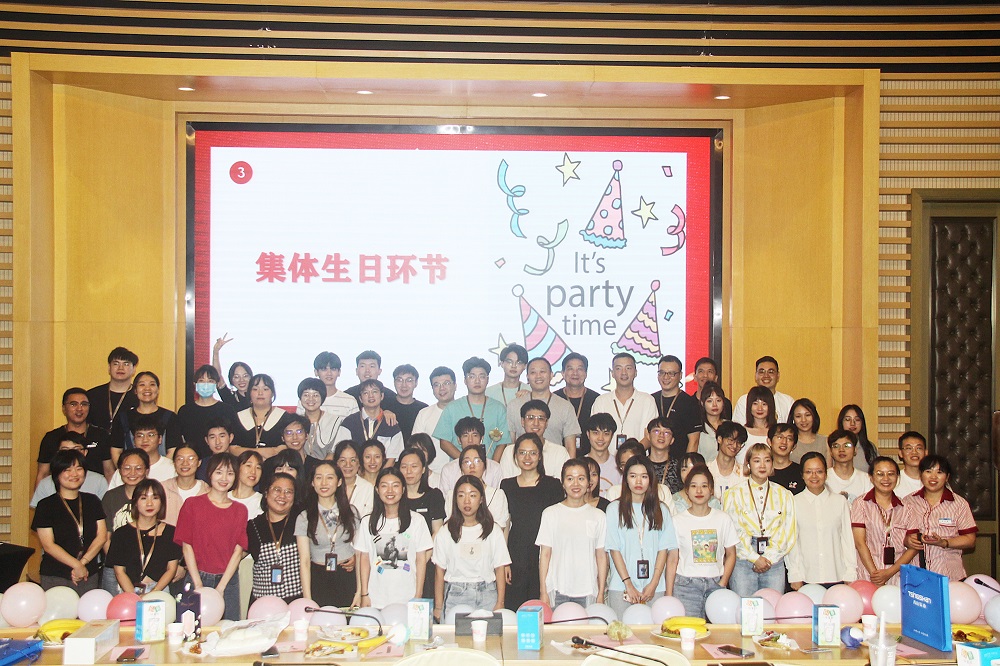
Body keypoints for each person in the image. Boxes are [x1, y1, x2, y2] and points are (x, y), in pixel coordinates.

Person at [174, 452, 248, 621]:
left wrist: (221, 587)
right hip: (196, 576)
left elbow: (238, 551)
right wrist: (198, 583)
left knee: (228, 630)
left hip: (227, 581)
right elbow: (187, 546)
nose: (224, 478)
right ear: (209, 473)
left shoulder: (240, 510)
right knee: (191, 629)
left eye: (230, 473)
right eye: (219, 472)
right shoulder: (192, 504)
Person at [606, 456, 677, 617]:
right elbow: (614, 549)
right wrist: (628, 584)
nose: (638, 481)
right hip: (621, 586)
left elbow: (664, 550)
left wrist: (654, 583)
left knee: (654, 631)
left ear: (651, 479)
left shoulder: (661, 510)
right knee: (621, 630)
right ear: (626, 479)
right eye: (633, 476)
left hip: (654, 587)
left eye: (644, 476)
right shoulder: (614, 509)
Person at [500, 433, 565, 610]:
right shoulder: (506, 485)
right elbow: (505, 526)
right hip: (516, 554)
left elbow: (558, 526)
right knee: (515, 608)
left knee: (543, 608)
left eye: (533, 453)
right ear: (515, 456)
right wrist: (504, 561)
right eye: (522, 453)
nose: (527, 458)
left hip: (544, 554)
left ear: (540, 456)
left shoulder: (553, 485)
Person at [722, 443, 796, 597]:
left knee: (773, 607)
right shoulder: (734, 494)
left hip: (774, 560)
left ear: (772, 464)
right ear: (748, 463)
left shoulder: (784, 494)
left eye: (767, 460)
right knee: (744, 607)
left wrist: (768, 558)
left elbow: (788, 530)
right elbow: (733, 530)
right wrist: (754, 558)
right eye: (756, 460)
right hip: (743, 559)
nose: (762, 465)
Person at [433, 475, 511, 621]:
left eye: (473, 495)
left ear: (481, 499)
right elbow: (439, 571)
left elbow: (500, 568)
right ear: (455, 499)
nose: (467, 501)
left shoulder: (493, 530)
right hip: (456, 595)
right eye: (461, 495)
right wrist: (438, 606)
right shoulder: (446, 531)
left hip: (487, 594)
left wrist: (500, 602)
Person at [355, 468, 433, 609]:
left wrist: (418, 594)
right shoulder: (367, 522)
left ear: (403, 489)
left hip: (407, 597)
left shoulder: (417, 520)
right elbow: (364, 559)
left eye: (395, 485)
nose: (390, 491)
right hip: (376, 598)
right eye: (384, 486)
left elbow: (421, 560)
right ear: (377, 490)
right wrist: (364, 594)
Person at [667, 465, 737, 618]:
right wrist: (669, 593)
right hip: (686, 587)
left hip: (715, 585)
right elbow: (672, 559)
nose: (699, 491)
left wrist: (723, 582)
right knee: (689, 630)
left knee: (716, 631)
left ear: (711, 490)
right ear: (687, 490)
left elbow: (731, 554)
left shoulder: (723, 519)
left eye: (704, 486)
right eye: (693, 486)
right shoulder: (677, 521)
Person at [32, 449, 107, 591]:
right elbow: (48, 545)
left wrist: (82, 563)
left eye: (79, 469)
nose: (74, 474)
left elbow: (101, 536)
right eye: (67, 470)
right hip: (56, 574)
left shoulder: (92, 501)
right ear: (57, 474)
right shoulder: (46, 505)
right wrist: (76, 565)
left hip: (88, 573)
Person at [536, 459, 608, 607]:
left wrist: (601, 593)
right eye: (570, 479)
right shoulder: (550, 513)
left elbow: (601, 556)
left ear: (588, 483)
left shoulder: (598, 516)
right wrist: (543, 591)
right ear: (563, 483)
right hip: (557, 590)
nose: (576, 484)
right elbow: (545, 555)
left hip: (588, 591)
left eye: (581, 478)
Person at [786, 453, 857, 589]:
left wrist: (850, 573)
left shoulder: (840, 501)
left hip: (837, 576)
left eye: (819, 471)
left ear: (826, 474)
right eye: (808, 472)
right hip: (806, 577)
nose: (814, 476)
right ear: (802, 475)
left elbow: (847, 539)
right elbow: (792, 543)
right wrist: (794, 574)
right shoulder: (794, 502)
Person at [901, 455, 977, 580]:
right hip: (916, 576)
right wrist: (906, 540)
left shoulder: (959, 504)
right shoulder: (907, 502)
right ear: (921, 475)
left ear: (947, 477)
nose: (933, 477)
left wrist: (944, 542)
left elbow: (970, 540)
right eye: (928, 471)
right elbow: (896, 533)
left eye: (939, 472)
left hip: (950, 575)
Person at [296, 461, 361, 607]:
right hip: (318, 579)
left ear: (339, 482)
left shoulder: (352, 512)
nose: (324, 483)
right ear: (312, 483)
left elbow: (360, 553)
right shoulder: (304, 517)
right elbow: (304, 561)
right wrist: (307, 599)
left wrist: (359, 591)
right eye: (319, 477)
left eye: (329, 477)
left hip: (347, 577)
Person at [105, 479, 181, 594]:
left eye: (155, 498)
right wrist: (133, 596)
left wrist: (153, 592)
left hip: (159, 590)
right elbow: (119, 571)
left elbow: (171, 569)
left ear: (162, 502)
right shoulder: (121, 533)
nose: (149, 503)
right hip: (129, 590)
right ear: (135, 502)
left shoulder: (171, 532)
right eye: (144, 498)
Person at [850, 457, 916, 586]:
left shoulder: (907, 508)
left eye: (891, 474)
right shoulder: (861, 504)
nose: (886, 478)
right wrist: (875, 575)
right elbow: (859, 543)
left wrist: (889, 572)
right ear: (871, 477)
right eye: (880, 474)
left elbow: (913, 548)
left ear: (897, 477)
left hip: (897, 575)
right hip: (868, 575)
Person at [434, 357, 511, 462]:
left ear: (487, 380)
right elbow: (444, 443)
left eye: (482, 376)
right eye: (472, 376)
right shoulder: (452, 408)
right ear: (465, 380)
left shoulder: (499, 408)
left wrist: (491, 467)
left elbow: (502, 443)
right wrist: (467, 462)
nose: (477, 381)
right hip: (460, 467)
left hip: (490, 468)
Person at [36, 388, 113, 486]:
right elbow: (43, 474)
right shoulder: (51, 438)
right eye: (73, 404)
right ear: (64, 408)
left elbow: (109, 472)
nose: (79, 408)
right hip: (60, 491)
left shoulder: (101, 435)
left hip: (94, 491)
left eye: (84, 404)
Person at [506, 358, 581, 456]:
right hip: (523, 463)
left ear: (551, 375)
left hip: (555, 463)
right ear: (527, 377)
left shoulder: (565, 406)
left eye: (542, 371)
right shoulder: (514, 405)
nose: (538, 376)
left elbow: (570, 447)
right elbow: (510, 444)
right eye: (533, 372)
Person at [247, 472, 302, 604]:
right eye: (277, 490)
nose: (282, 496)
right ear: (266, 493)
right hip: (263, 602)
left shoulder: (302, 520)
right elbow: (235, 554)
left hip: (297, 601)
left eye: (288, 492)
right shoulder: (254, 526)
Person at [113, 371, 181, 464]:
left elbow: (173, 450)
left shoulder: (170, 417)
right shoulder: (123, 418)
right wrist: (127, 469)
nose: (147, 388)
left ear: (158, 390)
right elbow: (116, 451)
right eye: (142, 385)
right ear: (135, 390)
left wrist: (160, 469)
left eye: (152, 384)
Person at [591, 353, 658, 442]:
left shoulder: (647, 400)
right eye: (618, 368)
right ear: (612, 373)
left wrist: (634, 450)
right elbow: (594, 433)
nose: (624, 373)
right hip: (606, 452)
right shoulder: (601, 401)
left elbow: (651, 435)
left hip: (639, 451)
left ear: (635, 372)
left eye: (628, 368)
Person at [176, 364, 239, 460]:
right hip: (193, 462)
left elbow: (234, 441)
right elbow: (181, 440)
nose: (206, 385)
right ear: (195, 384)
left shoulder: (227, 410)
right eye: (201, 381)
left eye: (210, 381)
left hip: (221, 462)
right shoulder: (185, 411)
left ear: (216, 384)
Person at [498, 400, 570, 481]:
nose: (536, 423)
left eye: (541, 419)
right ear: (522, 421)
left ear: (546, 423)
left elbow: (563, 484)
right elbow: (504, 483)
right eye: (531, 418)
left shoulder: (559, 452)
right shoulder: (510, 451)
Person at [31, 433, 109, 508]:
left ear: (85, 452)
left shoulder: (99, 481)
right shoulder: (45, 483)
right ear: (58, 453)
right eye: (65, 450)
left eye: (76, 449)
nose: (71, 454)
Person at [342, 380, 405, 466]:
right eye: (366, 393)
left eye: (374, 392)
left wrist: (381, 474)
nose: (371, 396)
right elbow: (342, 453)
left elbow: (392, 459)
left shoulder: (391, 424)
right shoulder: (349, 422)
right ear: (360, 398)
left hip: (383, 473)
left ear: (382, 396)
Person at [447, 445, 510, 530]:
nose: (472, 466)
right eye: (467, 462)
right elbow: (450, 526)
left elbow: (499, 530)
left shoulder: (497, 495)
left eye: (477, 461)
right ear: (461, 467)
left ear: (484, 465)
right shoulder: (451, 495)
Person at [87, 347, 139, 448]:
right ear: (109, 368)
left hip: (128, 449)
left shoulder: (139, 397)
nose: (120, 368)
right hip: (96, 448)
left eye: (126, 364)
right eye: (116, 363)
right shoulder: (92, 395)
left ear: (134, 370)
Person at [438, 417, 503, 498]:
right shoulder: (448, 470)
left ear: (481, 438)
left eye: (475, 435)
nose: (470, 440)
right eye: (465, 436)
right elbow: (446, 500)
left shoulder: (495, 468)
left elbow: (497, 497)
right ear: (459, 440)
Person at [108, 413, 176, 489]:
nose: (145, 440)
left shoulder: (172, 468)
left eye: (150, 435)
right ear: (134, 440)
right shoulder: (125, 470)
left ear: (160, 439)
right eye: (140, 436)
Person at [411, 367, 457, 474]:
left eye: (446, 383)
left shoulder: (464, 411)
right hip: (431, 474)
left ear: (455, 385)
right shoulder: (424, 414)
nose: (442, 388)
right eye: (436, 385)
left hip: (460, 473)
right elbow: (415, 448)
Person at [233, 374, 291, 458]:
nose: (260, 393)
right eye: (255, 389)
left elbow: (285, 447)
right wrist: (266, 451)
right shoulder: (239, 417)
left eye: (265, 389)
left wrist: (245, 451)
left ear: (272, 393)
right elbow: (233, 449)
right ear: (249, 393)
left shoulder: (285, 417)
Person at [652, 355, 701, 454]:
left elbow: (694, 441)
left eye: (671, 373)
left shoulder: (690, 403)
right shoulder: (651, 400)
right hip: (652, 460)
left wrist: (686, 463)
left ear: (680, 375)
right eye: (662, 373)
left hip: (679, 460)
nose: (666, 377)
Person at [554, 352, 600, 456]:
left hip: (590, 458)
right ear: (563, 373)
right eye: (570, 369)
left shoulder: (597, 399)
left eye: (580, 369)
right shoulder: (554, 399)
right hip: (559, 457)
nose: (575, 373)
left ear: (586, 373)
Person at [296, 378, 350, 462]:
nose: (311, 399)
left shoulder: (335, 421)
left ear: (322, 398)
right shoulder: (296, 423)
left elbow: (335, 453)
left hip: (329, 467)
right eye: (306, 395)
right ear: (300, 398)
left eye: (315, 395)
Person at [102, 450, 149, 544]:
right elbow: (106, 536)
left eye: (138, 468)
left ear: (146, 471)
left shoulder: (155, 495)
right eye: (127, 468)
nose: (132, 473)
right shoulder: (111, 497)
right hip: (116, 549)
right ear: (119, 471)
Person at [732, 356, 794, 424]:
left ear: (778, 376)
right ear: (756, 375)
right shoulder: (744, 401)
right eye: (761, 372)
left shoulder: (788, 401)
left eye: (771, 372)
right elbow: (738, 429)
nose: (766, 376)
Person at [262, 415, 317, 490]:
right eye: (289, 433)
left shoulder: (315, 466)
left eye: (299, 432)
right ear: (282, 438)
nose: (295, 437)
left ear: (306, 435)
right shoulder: (270, 464)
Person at [302, 351, 360, 419]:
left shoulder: (350, 401)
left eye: (333, 369)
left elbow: (356, 425)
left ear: (339, 372)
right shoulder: (306, 400)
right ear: (316, 372)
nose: (329, 373)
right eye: (324, 369)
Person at [163, 446, 208, 525]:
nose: (185, 463)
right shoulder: (162, 489)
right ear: (174, 462)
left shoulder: (207, 491)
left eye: (191, 458)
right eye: (180, 459)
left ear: (199, 462)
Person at [825, 429, 873, 503]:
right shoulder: (824, 478)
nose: (841, 449)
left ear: (855, 450)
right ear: (831, 452)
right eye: (836, 446)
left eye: (847, 445)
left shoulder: (866, 480)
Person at [334, 440, 375, 518]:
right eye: (343, 460)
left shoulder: (368, 488)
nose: (348, 465)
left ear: (359, 463)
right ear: (337, 463)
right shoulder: (329, 486)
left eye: (353, 460)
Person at [706, 421, 747, 499]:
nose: (735, 446)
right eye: (731, 440)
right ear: (719, 439)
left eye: (739, 442)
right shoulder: (706, 470)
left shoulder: (745, 473)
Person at [212, 334, 253, 411]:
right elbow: (217, 375)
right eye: (236, 377)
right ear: (231, 380)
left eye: (245, 376)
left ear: (251, 378)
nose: (241, 380)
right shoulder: (229, 397)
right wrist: (215, 352)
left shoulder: (258, 396)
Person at [585, 412, 621, 496]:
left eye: (606, 434)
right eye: (595, 433)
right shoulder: (579, 464)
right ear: (588, 434)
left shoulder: (619, 466)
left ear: (612, 436)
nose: (600, 438)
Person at [645, 416, 682, 493]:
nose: (661, 435)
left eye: (666, 432)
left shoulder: (679, 467)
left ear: (672, 440)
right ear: (648, 436)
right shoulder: (641, 465)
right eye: (656, 431)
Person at [391, 364, 427, 440]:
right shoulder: (385, 406)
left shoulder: (424, 409)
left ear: (416, 383)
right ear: (394, 382)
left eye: (409, 380)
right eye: (399, 380)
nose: (404, 385)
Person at [838, 404, 878, 471]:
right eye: (848, 419)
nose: (852, 423)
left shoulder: (869, 447)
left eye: (857, 419)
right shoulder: (834, 447)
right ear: (841, 422)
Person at [768, 423, 804, 494]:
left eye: (789, 439)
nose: (784, 442)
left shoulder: (800, 472)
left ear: (794, 446)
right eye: (779, 437)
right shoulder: (762, 470)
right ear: (769, 442)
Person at [788, 398, 827, 464]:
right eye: (798, 416)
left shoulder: (825, 442)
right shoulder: (788, 441)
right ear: (793, 419)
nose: (803, 420)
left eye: (807, 415)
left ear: (814, 416)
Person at [743, 386, 776, 460]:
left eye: (764, 404)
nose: (760, 408)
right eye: (755, 403)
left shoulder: (776, 432)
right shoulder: (742, 432)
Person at [230, 451, 264, 520]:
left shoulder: (262, 501)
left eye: (258, 467)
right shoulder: (225, 497)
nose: (253, 471)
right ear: (237, 468)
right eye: (248, 466)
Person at [698, 381, 727, 462]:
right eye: (709, 401)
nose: (714, 405)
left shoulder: (729, 426)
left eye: (718, 400)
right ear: (702, 403)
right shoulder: (698, 427)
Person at [895, 431, 927, 497]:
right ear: (900, 453)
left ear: (926, 452)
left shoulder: (934, 480)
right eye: (909, 448)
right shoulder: (894, 481)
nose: (914, 452)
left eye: (919, 448)